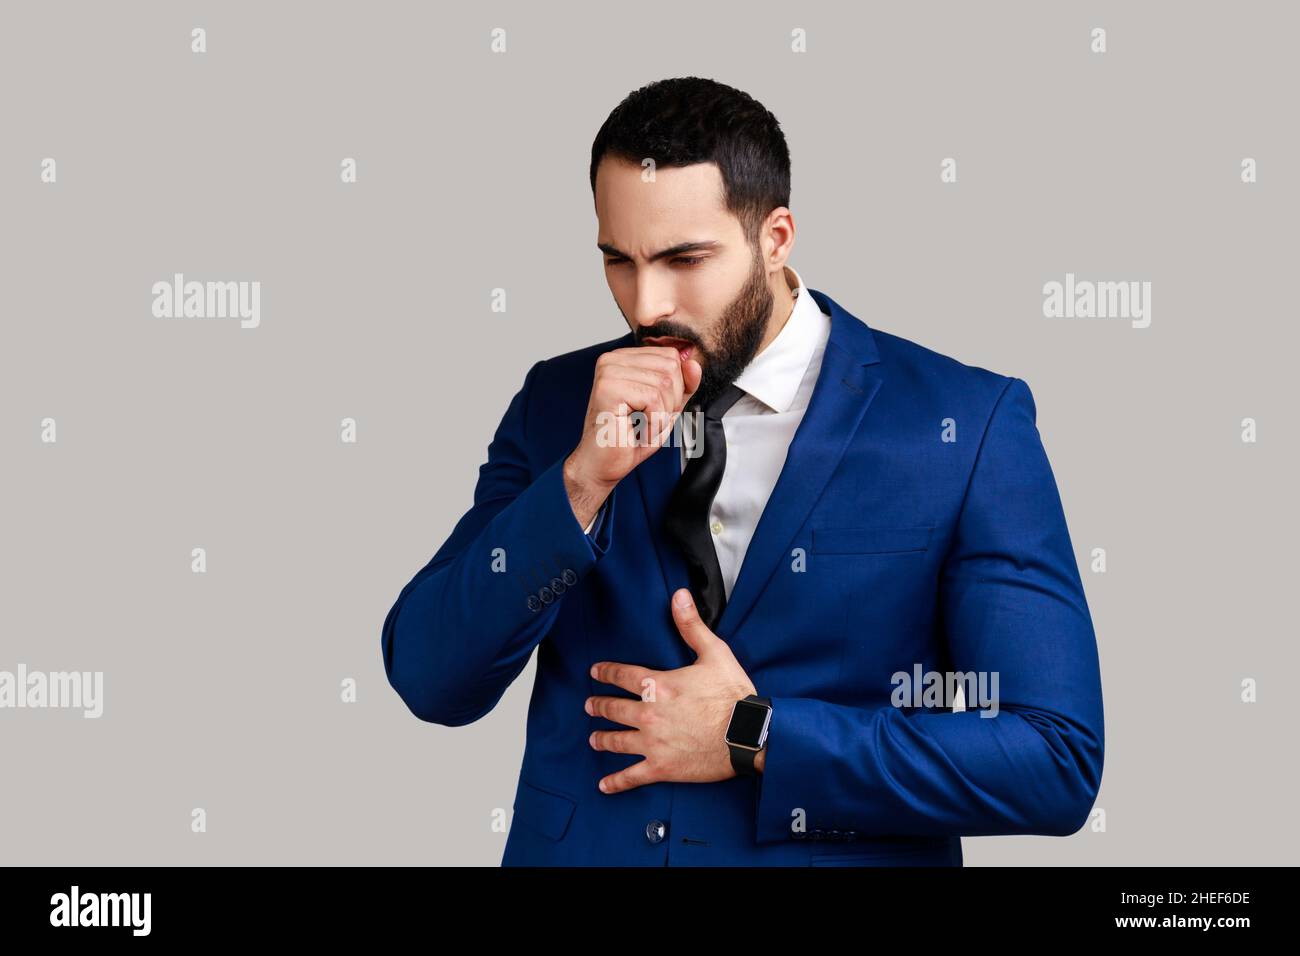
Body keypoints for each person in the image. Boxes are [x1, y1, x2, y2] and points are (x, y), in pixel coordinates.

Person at [381, 76, 1104, 866]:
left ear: (776, 237)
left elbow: (1052, 758)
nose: (646, 304)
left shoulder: (964, 425)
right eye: (618, 259)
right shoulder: (558, 403)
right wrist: (580, 484)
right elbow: (430, 677)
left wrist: (756, 734)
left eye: (685, 258)